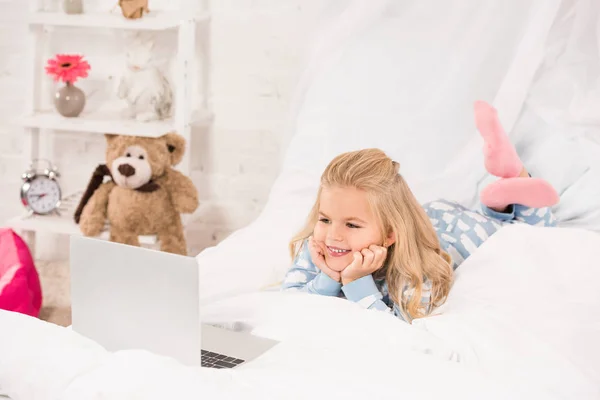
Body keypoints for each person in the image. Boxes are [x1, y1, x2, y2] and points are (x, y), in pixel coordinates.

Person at [280, 101, 560, 323]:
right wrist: (328, 277)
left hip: (455, 232)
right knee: (504, 222)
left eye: (352, 225)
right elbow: (290, 305)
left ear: (390, 235)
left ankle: (513, 179)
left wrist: (355, 281)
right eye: (325, 219)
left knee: (530, 233)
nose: (333, 236)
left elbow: (396, 331)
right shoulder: (318, 250)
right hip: (430, 215)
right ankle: (501, 197)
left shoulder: (415, 267)